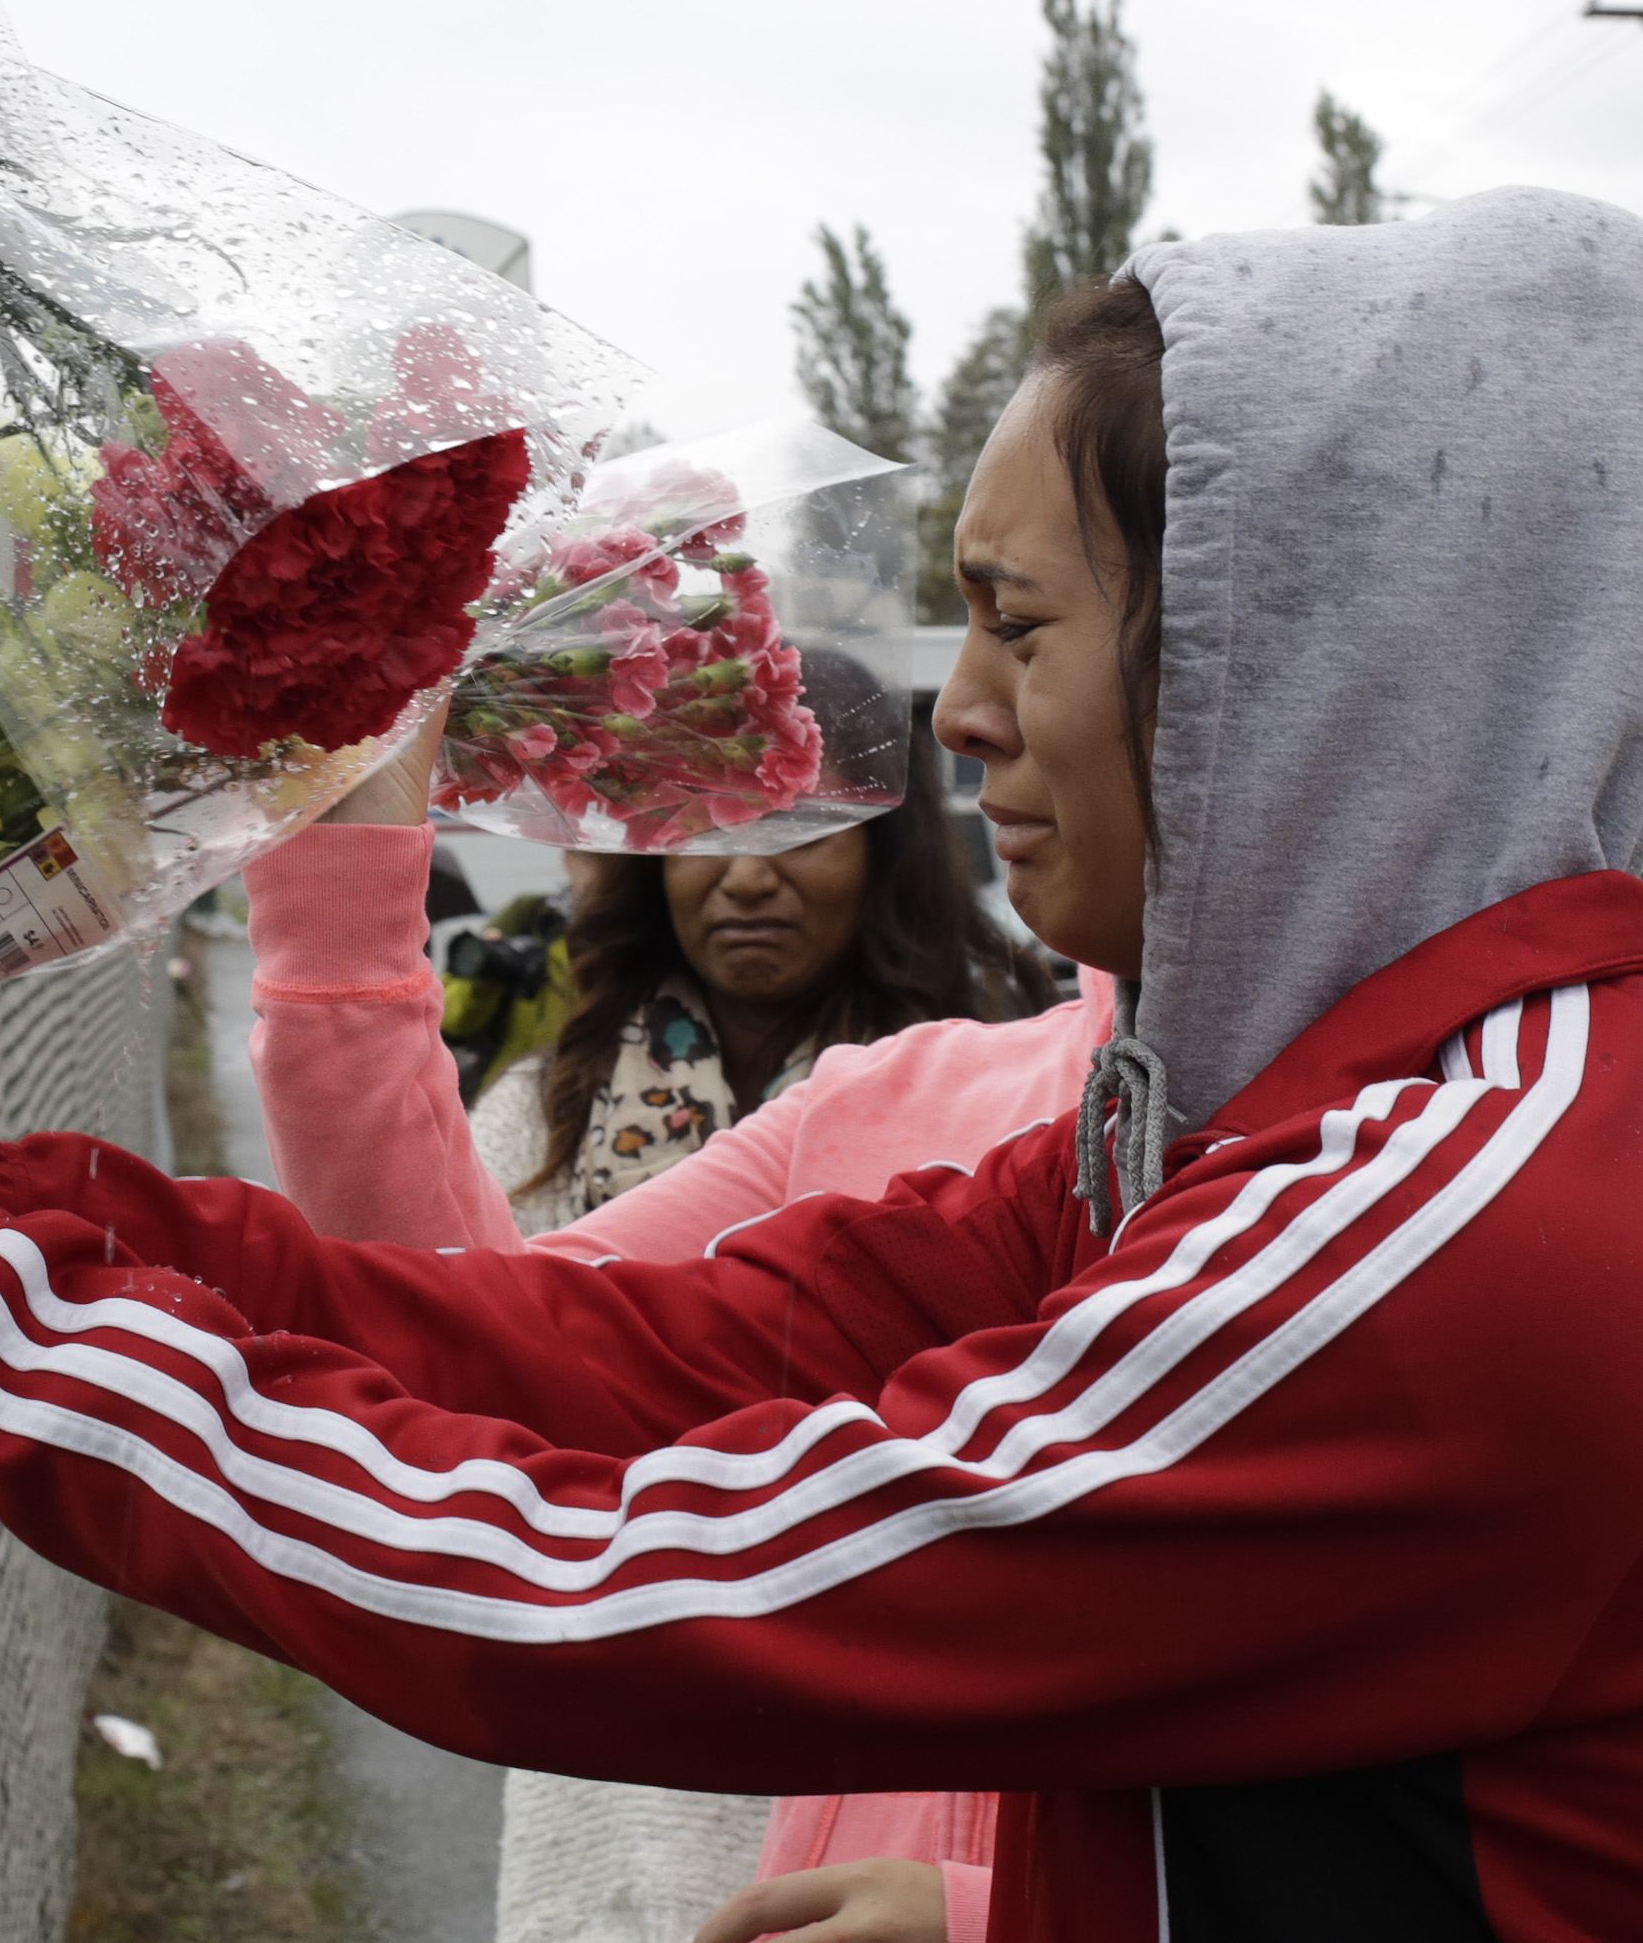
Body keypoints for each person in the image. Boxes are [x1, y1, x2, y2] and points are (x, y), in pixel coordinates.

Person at [0, 189, 1643, 1942]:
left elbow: (626, 1587)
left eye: (1014, 625)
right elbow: (651, 1352)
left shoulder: (1446, 1229)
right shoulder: (1281, 1130)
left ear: (1284, 669)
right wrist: (31, 1217)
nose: (963, 721)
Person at [252, 686, 1083, 1943]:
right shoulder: (850, 1099)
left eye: (801, 827)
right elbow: (464, 1326)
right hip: (621, 1806)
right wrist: (341, 909)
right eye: (713, 827)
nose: (748, 875)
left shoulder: (1178, 1128)